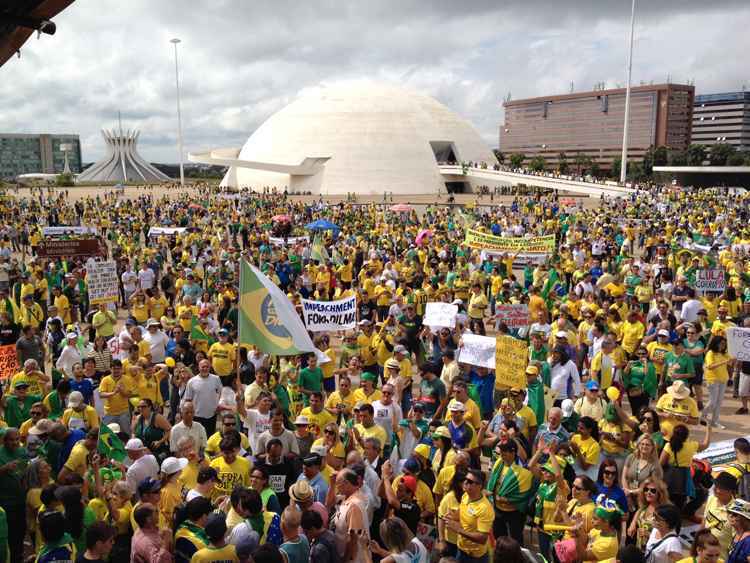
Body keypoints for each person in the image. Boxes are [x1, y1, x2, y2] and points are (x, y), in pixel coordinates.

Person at [627, 479, 671, 550]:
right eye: (646, 489)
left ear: (660, 493)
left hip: (653, 552)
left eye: (653, 491)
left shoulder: (663, 512)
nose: (648, 492)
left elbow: (666, 538)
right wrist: (633, 523)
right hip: (639, 548)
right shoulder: (646, 505)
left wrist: (648, 534)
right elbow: (639, 510)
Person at [727, 498, 750, 563]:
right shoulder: (737, 534)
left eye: (735, 514)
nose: (730, 516)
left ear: (744, 518)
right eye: (729, 512)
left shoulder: (748, 541)